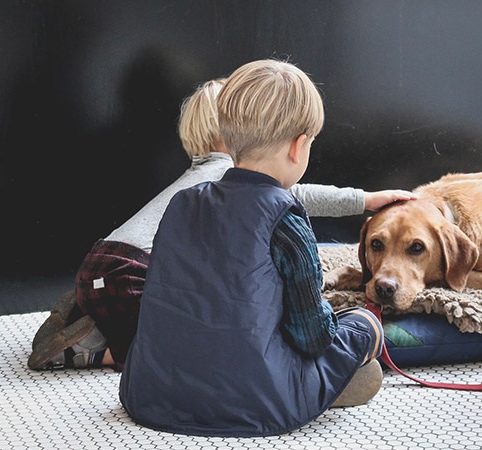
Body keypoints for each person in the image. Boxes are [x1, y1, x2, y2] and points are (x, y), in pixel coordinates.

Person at [28, 74, 414, 372]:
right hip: (133, 271)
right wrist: (364, 199)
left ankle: (87, 315)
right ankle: (90, 352)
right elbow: (299, 195)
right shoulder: (229, 177)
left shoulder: (198, 179)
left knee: (154, 315)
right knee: (170, 344)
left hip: (104, 262)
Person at [118, 58, 390, 437]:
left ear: (227, 140)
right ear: (299, 147)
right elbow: (312, 336)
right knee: (363, 325)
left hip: (152, 392)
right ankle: (325, 383)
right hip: (256, 400)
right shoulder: (286, 219)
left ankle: (312, 383)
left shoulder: (182, 203)